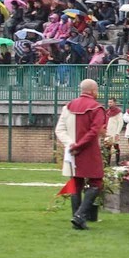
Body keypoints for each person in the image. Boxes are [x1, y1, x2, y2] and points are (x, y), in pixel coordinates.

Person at [54, 78, 107, 230]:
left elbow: (59, 130)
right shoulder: (97, 108)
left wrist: (70, 144)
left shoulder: (68, 107)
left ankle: (76, 217)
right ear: (93, 91)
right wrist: (79, 145)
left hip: (72, 151)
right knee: (96, 182)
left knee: (76, 182)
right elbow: (94, 131)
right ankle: (80, 215)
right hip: (88, 150)